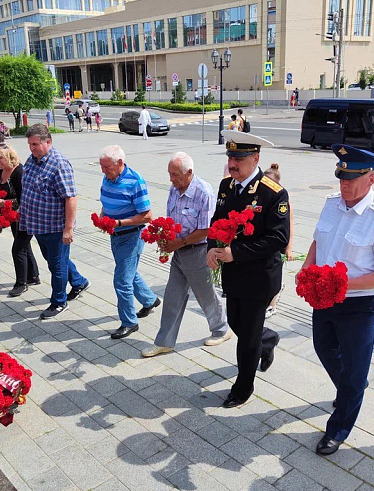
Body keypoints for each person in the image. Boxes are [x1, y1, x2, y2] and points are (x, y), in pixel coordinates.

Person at [298, 144, 374, 455]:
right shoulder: (332, 204)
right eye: (341, 177)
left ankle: (339, 426)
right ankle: (351, 389)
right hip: (325, 297)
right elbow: (319, 239)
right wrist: (307, 269)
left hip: (360, 304)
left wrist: (343, 285)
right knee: (324, 347)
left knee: (355, 369)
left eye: (351, 179)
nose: (344, 184)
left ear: (370, 179)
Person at [206, 131, 290, 409]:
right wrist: (210, 247)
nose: (232, 164)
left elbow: (278, 239)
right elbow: (216, 221)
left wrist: (236, 253)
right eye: (230, 157)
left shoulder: (273, 193)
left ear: (255, 158)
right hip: (234, 274)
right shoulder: (226, 186)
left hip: (259, 276)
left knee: (247, 339)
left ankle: (243, 387)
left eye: (239, 158)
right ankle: (268, 340)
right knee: (236, 324)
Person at [141, 152, 231, 358]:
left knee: (206, 295)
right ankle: (164, 342)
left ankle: (222, 329)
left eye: (175, 175)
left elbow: (206, 229)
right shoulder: (174, 189)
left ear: (189, 173)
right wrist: (164, 237)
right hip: (179, 251)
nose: (171, 179)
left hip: (198, 251)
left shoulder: (203, 192)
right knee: (172, 296)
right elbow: (171, 219)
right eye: (170, 174)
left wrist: (179, 242)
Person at [19, 124, 90, 318]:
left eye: (35, 144)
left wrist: (68, 228)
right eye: (30, 144)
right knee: (54, 261)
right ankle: (79, 281)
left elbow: (71, 198)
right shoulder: (33, 160)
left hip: (56, 227)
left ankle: (59, 302)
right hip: (38, 225)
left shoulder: (59, 164)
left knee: (56, 266)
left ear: (48, 142)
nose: (31, 148)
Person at [97, 145, 160, 339]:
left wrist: (118, 222)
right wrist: (103, 216)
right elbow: (106, 200)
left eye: (107, 166)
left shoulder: (135, 181)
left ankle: (129, 322)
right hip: (115, 235)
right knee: (129, 273)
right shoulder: (108, 177)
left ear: (120, 163)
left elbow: (148, 216)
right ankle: (150, 300)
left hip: (131, 235)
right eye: (102, 166)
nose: (103, 170)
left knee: (122, 280)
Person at [0, 144, 40, 296]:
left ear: (10, 157)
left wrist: (3, 203)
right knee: (24, 246)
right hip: (12, 216)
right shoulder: (0, 173)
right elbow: (1, 193)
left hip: (26, 215)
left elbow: (25, 199)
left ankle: (21, 283)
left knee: (17, 249)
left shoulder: (19, 172)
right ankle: (33, 276)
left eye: (1, 158)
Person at [262, 163, 295, 319]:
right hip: (266, 243)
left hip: (279, 243)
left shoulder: (283, 200)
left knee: (276, 276)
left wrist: (289, 248)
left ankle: (272, 305)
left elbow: (290, 225)